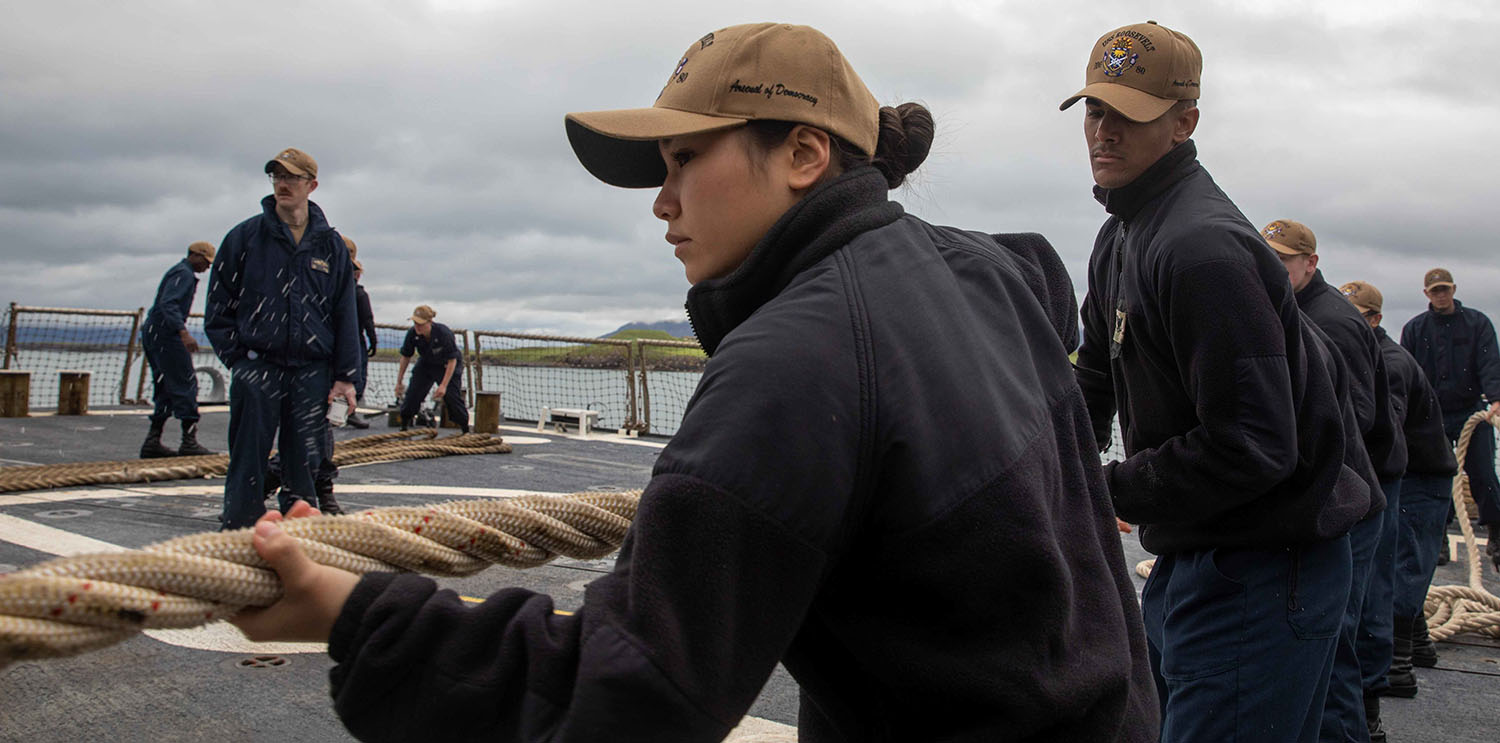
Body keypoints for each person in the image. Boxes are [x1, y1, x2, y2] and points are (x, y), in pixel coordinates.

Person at [231, 22, 1158, 741]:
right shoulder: (988, 274)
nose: (661, 200)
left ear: (803, 155)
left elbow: (626, 693)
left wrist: (350, 613)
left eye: (684, 161)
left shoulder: (797, 361)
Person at [1065, 21, 1369, 742]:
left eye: (1129, 115)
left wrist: (1105, 489)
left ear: (1183, 123)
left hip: (1265, 566)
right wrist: (1049, 461)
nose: (1104, 131)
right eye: (1094, 109)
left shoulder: (1202, 250)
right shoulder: (1121, 235)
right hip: (1196, 555)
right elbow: (1093, 377)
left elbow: (1255, 444)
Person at [1265, 218, 1400, 741]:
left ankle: (1353, 730)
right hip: (1332, 493)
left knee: (1333, 637)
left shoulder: (1334, 322)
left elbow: (1356, 417)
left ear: (1310, 264)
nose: (1270, 270)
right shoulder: (1296, 310)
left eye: (1281, 262)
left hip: (1351, 501)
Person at [204, 147, 358, 529]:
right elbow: (218, 307)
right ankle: (239, 528)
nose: (283, 184)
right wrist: (239, 360)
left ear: (312, 185)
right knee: (248, 458)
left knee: (305, 458)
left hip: (311, 370)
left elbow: (345, 313)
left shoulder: (330, 246)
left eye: (291, 177)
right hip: (259, 364)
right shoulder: (244, 238)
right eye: (277, 177)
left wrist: (346, 376)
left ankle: (298, 530)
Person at [1341, 280, 1457, 703]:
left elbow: (1380, 428)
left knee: (1401, 568)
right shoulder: (1373, 355)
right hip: (1404, 471)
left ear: (1374, 320)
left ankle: (1399, 666)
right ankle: (1419, 645)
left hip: (1420, 478)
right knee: (1400, 564)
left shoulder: (1389, 363)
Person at [1400, 268, 1500, 573]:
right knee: (1434, 477)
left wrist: (1495, 399)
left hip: (1472, 410)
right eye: (1435, 290)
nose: (1441, 295)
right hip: (1432, 415)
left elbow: (1489, 361)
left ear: (1453, 289)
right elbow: (1408, 373)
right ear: (1426, 294)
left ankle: (1497, 536)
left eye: (1445, 289)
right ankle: (1438, 538)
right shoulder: (1415, 329)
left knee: (1483, 475)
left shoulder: (1478, 323)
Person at [139, 241, 218, 458]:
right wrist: (183, 333)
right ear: (195, 256)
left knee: (164, 384)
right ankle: (188, 440)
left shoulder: (177, 272)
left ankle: (153, 440)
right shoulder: (183, 274)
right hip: (167, 334)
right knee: (186, 383)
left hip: (154, 332)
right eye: (206, 262)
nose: (207, 267)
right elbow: (169, 304)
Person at [394, 305, 467, 434]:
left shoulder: (444, 333)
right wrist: (399, 382)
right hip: (426, 363)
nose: (417, 327)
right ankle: (404, 425)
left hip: (447, 365)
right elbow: (405, 356)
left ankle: (465, 429)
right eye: (415, 323)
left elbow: (452, 360)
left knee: (452, 397)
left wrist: (443, 386)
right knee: (413, 393)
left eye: (421, 324)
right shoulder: (412, 333)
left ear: (430, 322)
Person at [351, 256, 376, 429]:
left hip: (334, 338)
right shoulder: (359, 294)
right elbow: (367, 319)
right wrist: (373, 341)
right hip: (353, 339)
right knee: (357, 377)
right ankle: (348, 412)